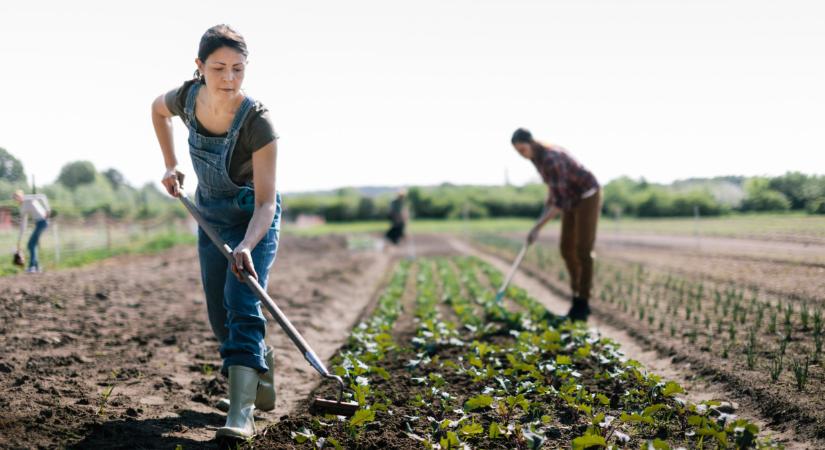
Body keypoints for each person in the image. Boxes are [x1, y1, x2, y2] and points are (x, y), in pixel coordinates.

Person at [151, 24, 281, 440]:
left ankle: (241, 413)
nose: (229, 79)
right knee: (218, 311)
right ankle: (258, 365)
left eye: (238, 69)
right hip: (210, 216)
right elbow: (156, 110)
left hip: (252, 223)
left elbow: (266, 204)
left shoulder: (258, 123)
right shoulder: (187, 99)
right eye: (219, 68)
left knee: (240, 299)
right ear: (200, 67)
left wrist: (246, 245)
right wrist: (171, 163)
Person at [511, 128, 601, 322]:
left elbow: (558, 204)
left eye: (522, 149)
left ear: (531, 143)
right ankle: (576, 293)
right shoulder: (537, 159)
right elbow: (554, 193)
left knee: (583, 250)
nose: (521, 154)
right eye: (518, 151)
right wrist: (538, 221)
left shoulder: (551, 158)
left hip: (587, 195)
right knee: (566, 249)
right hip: (570, 198)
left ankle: (582, 303)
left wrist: (537, 227)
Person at [13, 190, 51, 274]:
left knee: (31, 244)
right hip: (39, 223)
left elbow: (42, 196)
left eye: (18, 197)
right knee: (32, 244)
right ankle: (36, 267)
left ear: (21, 195)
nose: (17, 199)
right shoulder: (22, 208)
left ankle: (32, 267)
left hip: (43, 221)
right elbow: (23, 224)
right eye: (15, 198)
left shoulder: (28, 198)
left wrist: (48, 210)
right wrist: (19, 240)